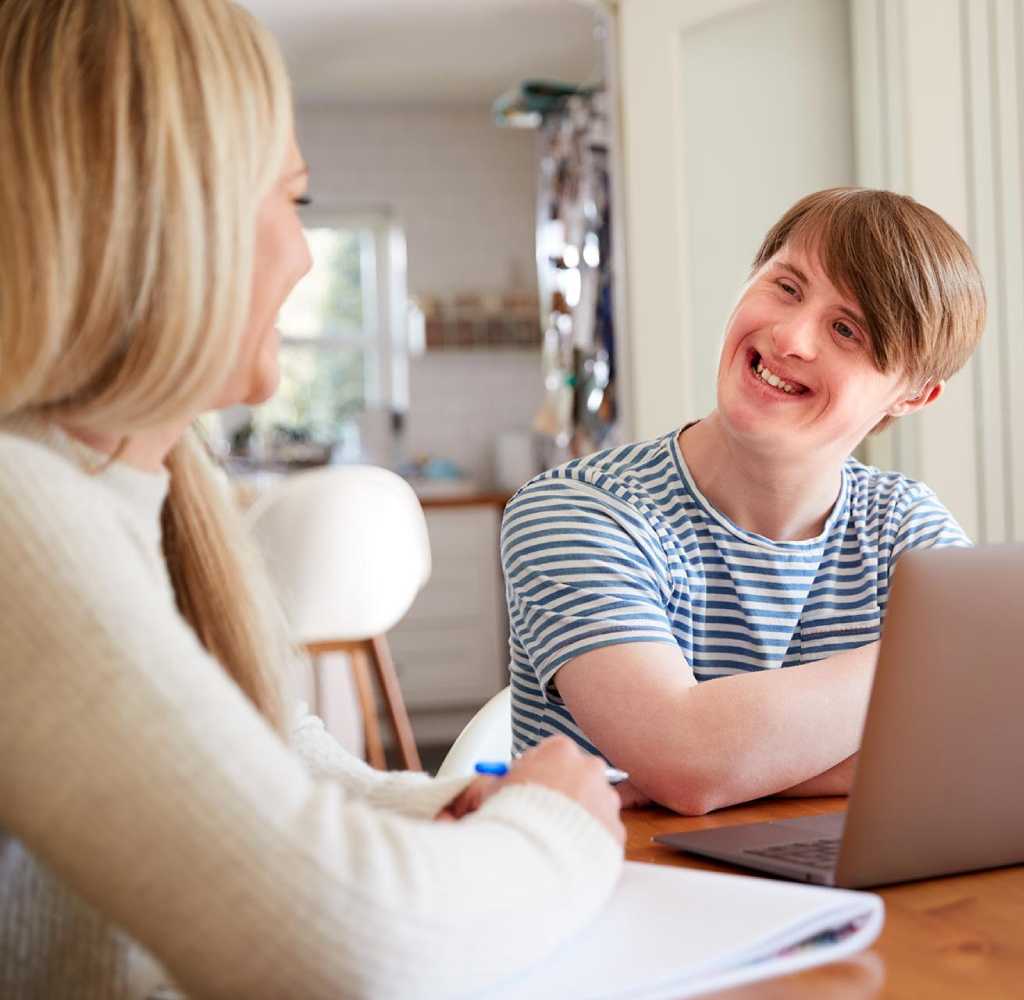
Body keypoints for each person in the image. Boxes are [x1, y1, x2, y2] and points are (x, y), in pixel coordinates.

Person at [0, 2, 623, 996]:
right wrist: (557, 822)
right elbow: (348, 940)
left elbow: (264, 762)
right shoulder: (19, 507)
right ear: (173, 223)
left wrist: (443, 807)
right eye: (291, 200)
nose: (301, 254)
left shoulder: (145, 487)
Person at [503, 187, 986, 816]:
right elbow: (685, 760)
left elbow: (984, 735)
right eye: (787, 287)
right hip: (617, 871)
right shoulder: (575, 512)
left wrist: (725, 772)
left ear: (912, 395)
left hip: (833, 869)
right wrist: (928, 659)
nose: (790, 337)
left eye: (846, 329)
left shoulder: (904, 525)